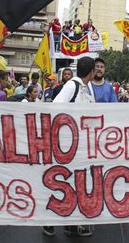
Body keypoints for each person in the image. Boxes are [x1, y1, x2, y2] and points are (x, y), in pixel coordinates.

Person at [48, 56, 95, 237]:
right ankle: (49, 221)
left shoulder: (85, 87)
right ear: (91, 72)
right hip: (66, 145)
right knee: (61, 183)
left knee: (78, 184)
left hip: (81, 146)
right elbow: (55, 108)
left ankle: (73, 224)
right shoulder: (72, 86)